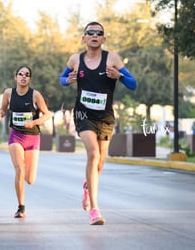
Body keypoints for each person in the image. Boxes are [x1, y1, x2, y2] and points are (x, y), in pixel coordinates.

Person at [59, 21, 137, 225]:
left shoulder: (112, 58)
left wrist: (119, 76)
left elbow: (133, 84)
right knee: (92, 154)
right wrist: (68, 80)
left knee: (100, 163)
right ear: (83, 38)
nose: (94, 35)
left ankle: (87, 186)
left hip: (105, 116)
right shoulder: (75, 59)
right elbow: (62, 78)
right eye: (90, 32)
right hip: (83, 114)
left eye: (98, 33)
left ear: (103, 38)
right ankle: (94, 209)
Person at [0, 66, 52, 218]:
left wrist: (33, 123)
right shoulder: (8, 93)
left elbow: (48, 114)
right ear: (16, 77)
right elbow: (3, 109)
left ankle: (25, 165)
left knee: (30, 179)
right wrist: (0, 115)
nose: (23, 77)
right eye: (21, 74)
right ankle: (21, 207)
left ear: (30, 79)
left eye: (27, 75)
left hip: (33, 138)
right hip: (16, 136)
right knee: (19, 169)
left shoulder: (35, 95)